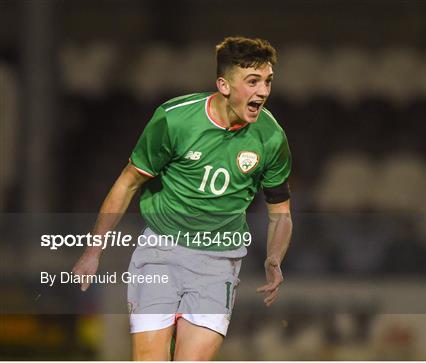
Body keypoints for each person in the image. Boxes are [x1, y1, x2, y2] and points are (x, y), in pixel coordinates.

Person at [72, 36, 292, 360]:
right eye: (253, 81)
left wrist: (274, 258)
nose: (263, 92)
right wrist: (94, 249)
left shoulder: (271, 138)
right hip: (161, 251)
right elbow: (128, 183)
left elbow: (281, 212)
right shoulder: (174, 120)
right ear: (224, 84)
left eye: (268, 82)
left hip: (219, 262)